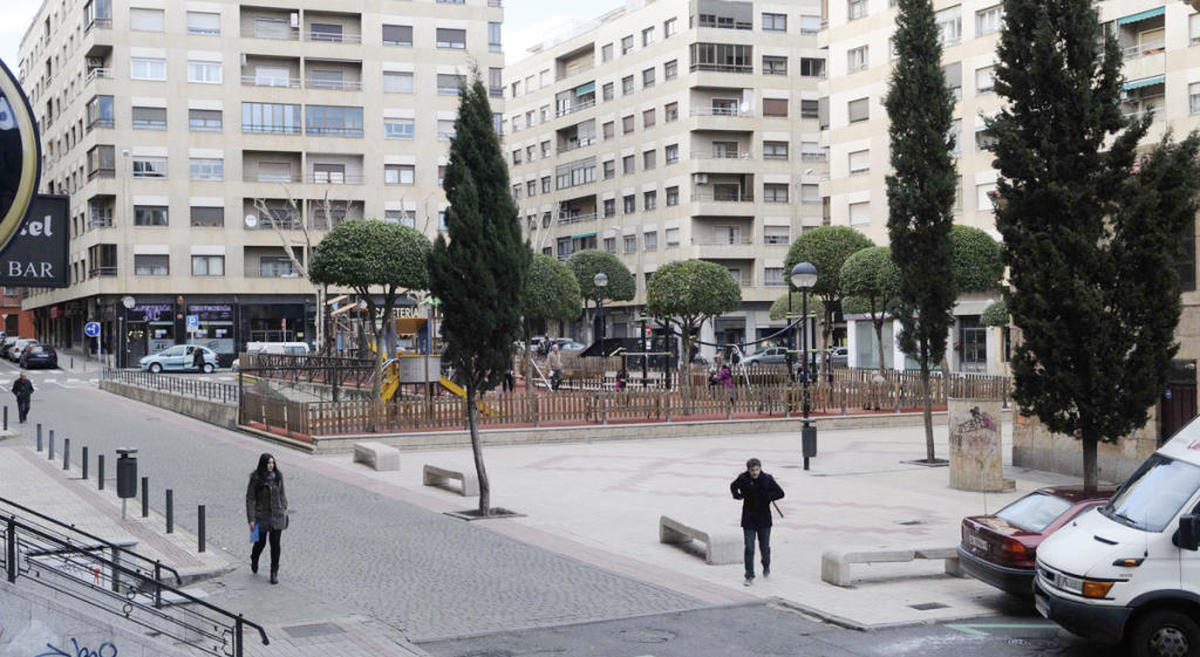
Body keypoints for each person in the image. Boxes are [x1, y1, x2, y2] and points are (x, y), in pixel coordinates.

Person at [730, 458, 785, 586]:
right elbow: (733, 486)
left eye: (757, 470)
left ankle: (766, 566)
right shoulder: (743, 478)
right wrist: (737, 495)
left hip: (764, 519)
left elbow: (780, 493)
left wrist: (768, 496)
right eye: (752, 470)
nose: (755, 473)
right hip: (749, 518)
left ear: (760, 468)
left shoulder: (767, 479)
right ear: (748, 470)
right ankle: (749, 575)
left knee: (764, 547)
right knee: (749, 547)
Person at [246, 453, 289, 584]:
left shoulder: (278, 477)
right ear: (263, 464)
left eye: (273, 463)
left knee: (275, 544)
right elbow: (250, 499)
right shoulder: (256, 478)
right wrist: (251, 519)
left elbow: (282, 493)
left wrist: (284, 505)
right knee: (260, 542)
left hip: (277, 516)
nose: (271, 465)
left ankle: (274, 571)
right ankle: (254, 557)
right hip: (261, 516)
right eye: (269, 463)